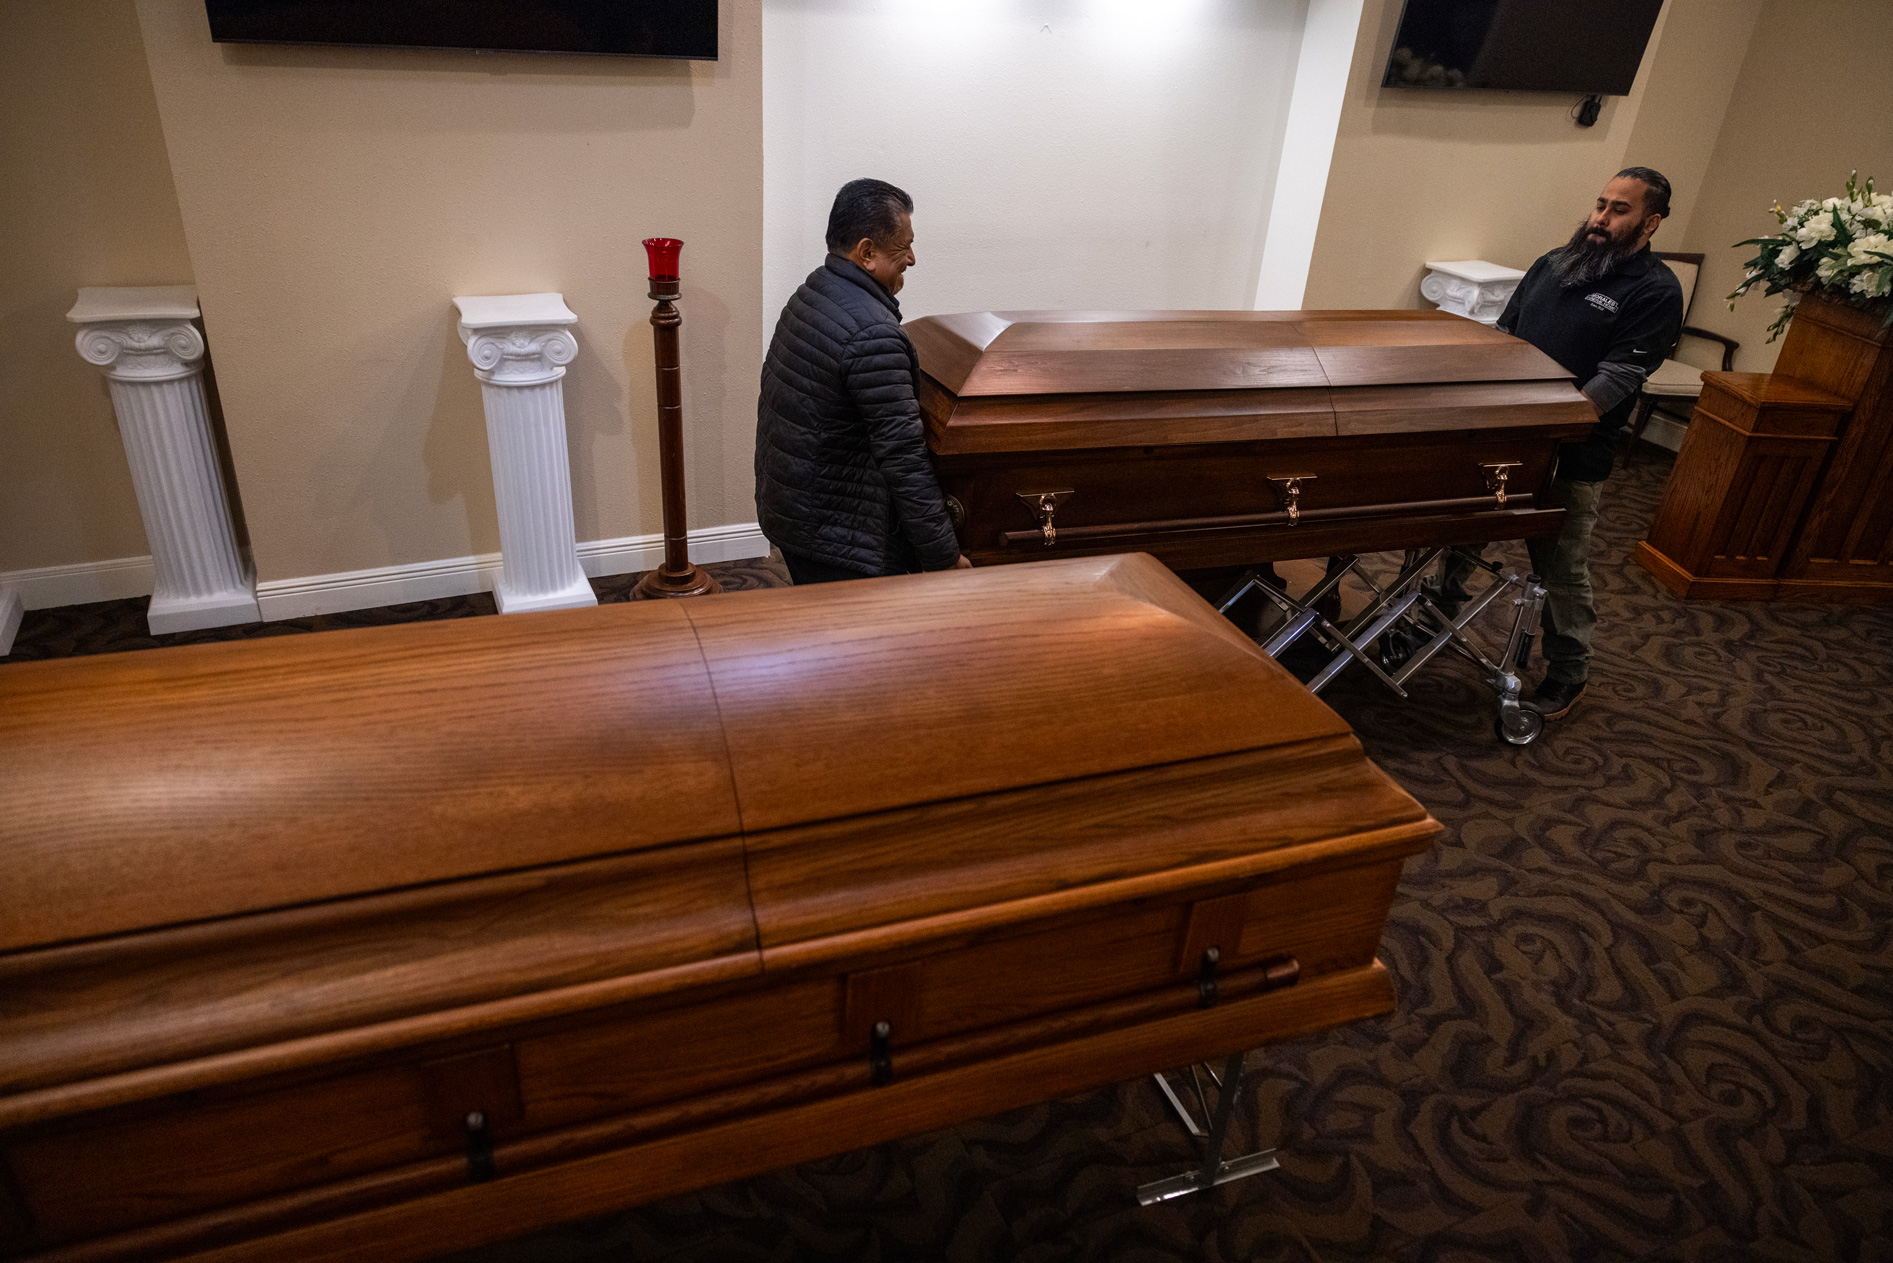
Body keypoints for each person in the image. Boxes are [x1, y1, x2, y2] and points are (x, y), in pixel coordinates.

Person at [1445, 166, 1684, 720]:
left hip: (1573, 451)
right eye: (1600, 204)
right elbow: (1505, 336)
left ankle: (1568, 671)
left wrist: (1550, 424)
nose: (1601, 218)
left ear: (1650, 223)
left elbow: (1618, 377)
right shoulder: (1554, 263)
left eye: (1618, 210)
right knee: (1459, 531)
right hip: (1506, 439)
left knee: (1560, 567)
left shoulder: (1655, 290)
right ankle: (1437, 612)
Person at [755, 178, 970, 583]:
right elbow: (903, 459)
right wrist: (943, 557)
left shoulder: (812, 292)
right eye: (903, 246)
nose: (912, 258)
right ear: (867, 252)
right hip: (840, 536)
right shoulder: (873, 335)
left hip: (794, 511)